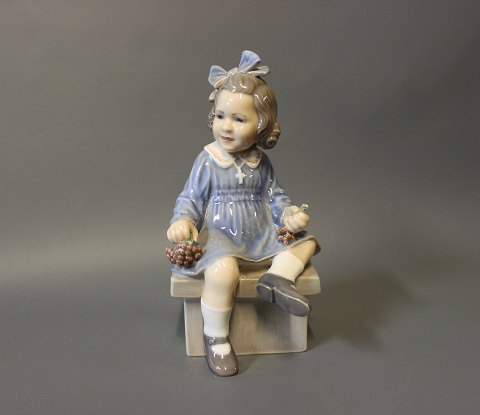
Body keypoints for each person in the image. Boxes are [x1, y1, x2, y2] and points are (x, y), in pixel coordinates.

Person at [167, 51, 319, 376]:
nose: (226, 126)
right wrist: (183, 221)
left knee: (306, 243)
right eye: (221, 116)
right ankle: (216, 337)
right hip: (221, 235)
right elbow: (191, 198)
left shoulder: (260, 162)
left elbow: (275, 196)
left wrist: (289, 214)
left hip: (259, 232)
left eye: (239, 119)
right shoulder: (207, 160)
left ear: (261, 126)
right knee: (223, 272)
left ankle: (276, 280)